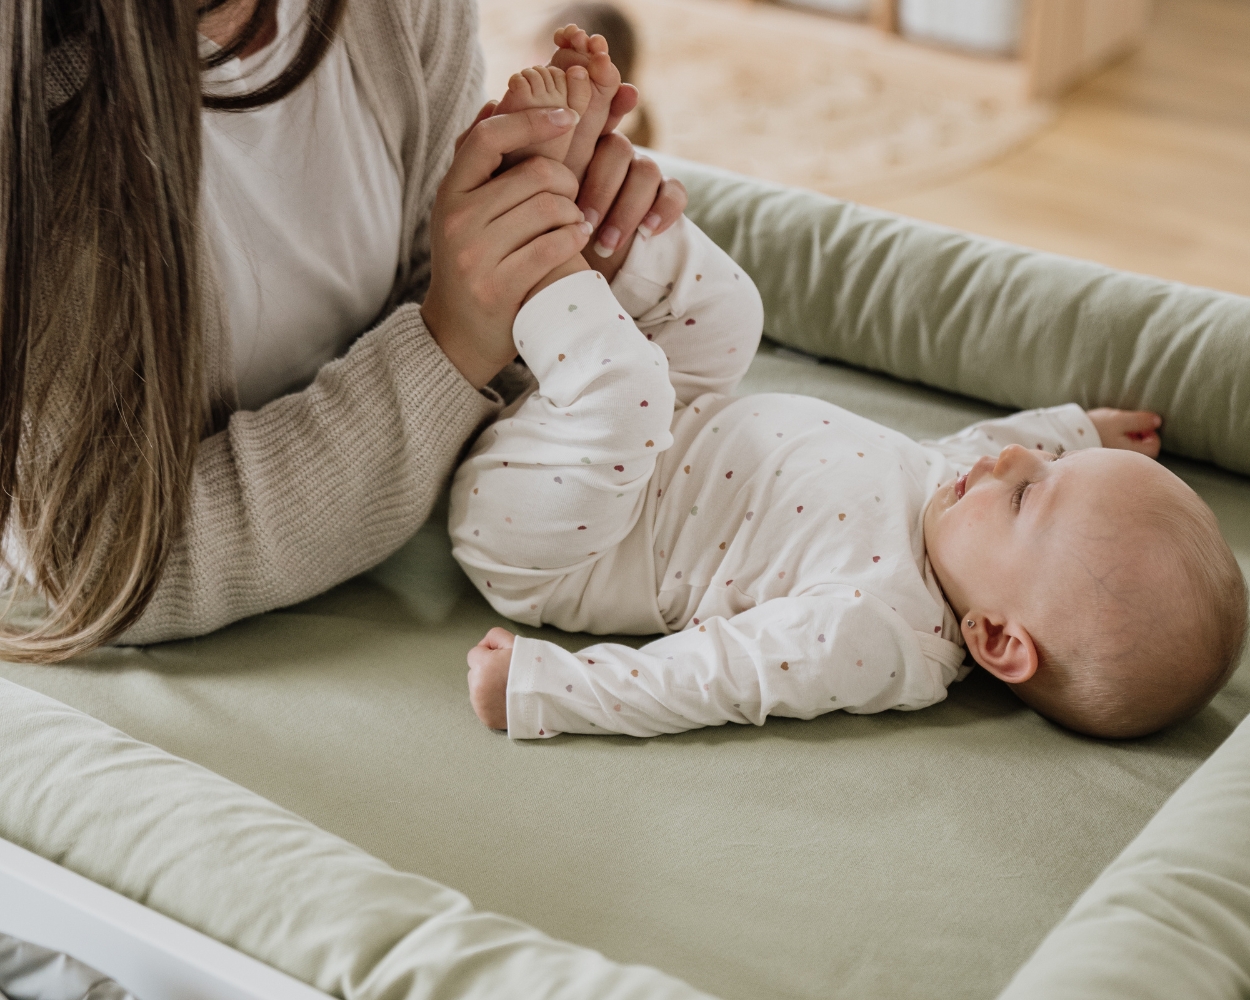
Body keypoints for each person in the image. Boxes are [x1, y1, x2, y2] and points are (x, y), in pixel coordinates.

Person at [451, 66, 1248, 743]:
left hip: (555, 531)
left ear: (998, 638)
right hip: (647, 438)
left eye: (1032, 490)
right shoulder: (961, 505)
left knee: (629, 394)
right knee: (733, 317)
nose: (1011, 460)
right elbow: (993, 443)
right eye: (1051, 463)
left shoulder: (883, 633)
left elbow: (719, 677)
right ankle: (595, 205)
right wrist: (1075, 430)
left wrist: (542, 690)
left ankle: (530, 224)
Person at [0, 1, 685, 660]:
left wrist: (542, 260)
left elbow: (434, 275)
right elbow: (105, 566)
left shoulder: (393, 18)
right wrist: (454, 344)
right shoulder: (35, 131)